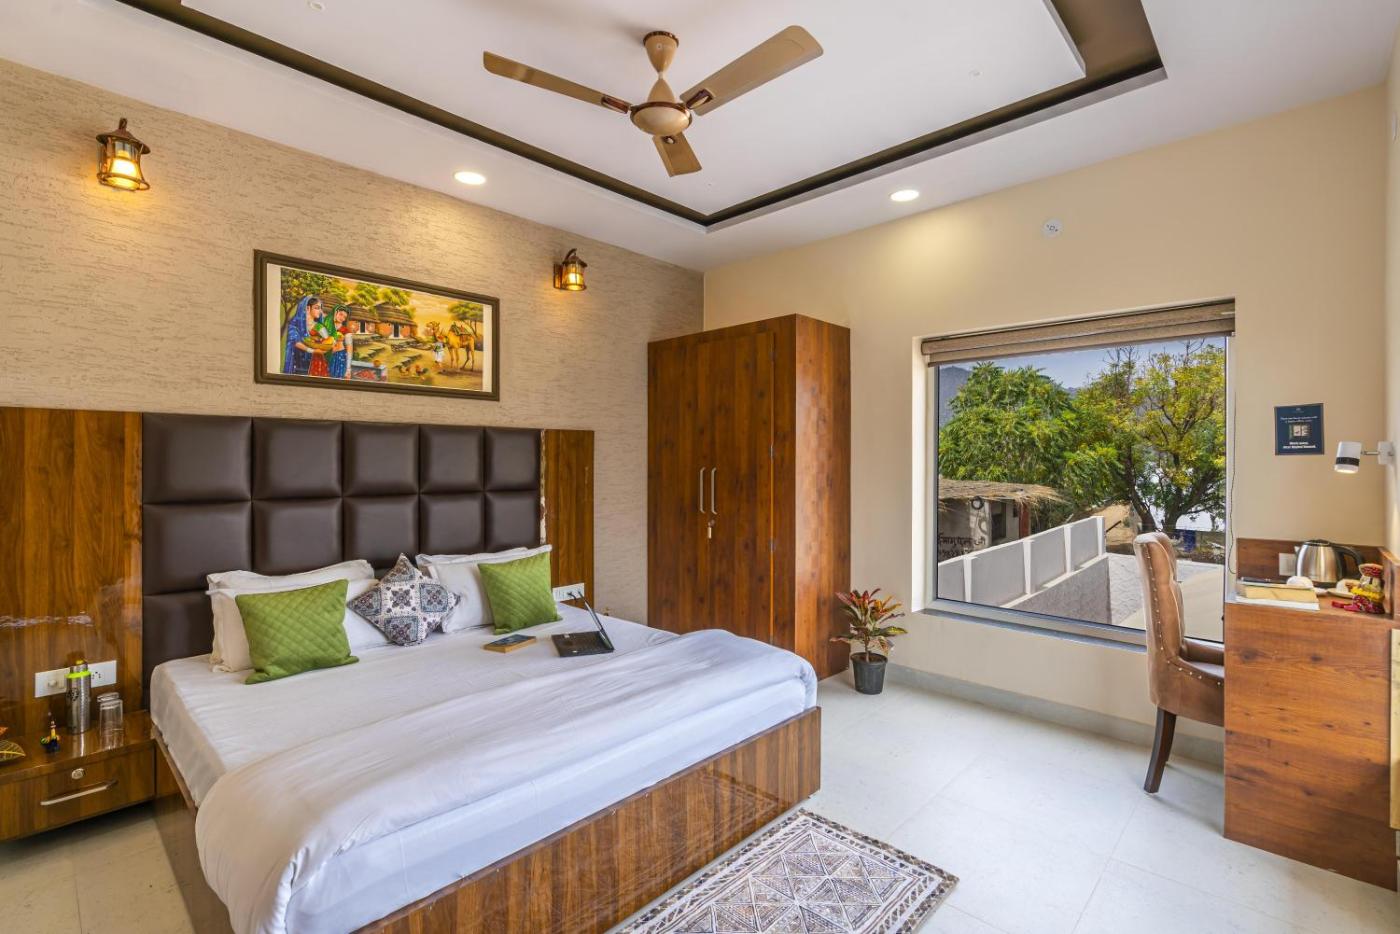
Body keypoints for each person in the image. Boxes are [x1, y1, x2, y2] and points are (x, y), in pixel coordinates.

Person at [281, 295, 321, 375]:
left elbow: (326, 340)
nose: (320, 311)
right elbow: (294, 341)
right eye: (317, 308)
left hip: (315, 366)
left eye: (320, 308)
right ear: (308, 308)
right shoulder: (295, 323)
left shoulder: (319, 326)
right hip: (298, 366)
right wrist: (312, 350)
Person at [327, 306, 353, 379]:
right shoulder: (327, 327)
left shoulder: (346, 331)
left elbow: (349, 350)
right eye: (341, 314)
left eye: (344, 317)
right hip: (326, 356)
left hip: (339, 357)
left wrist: (348, 369)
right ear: (336, 313)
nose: (342, 318)